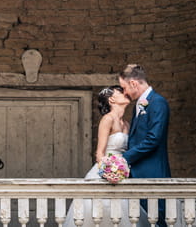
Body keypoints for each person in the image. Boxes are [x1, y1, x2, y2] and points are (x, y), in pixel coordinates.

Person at [63, 85, 149, 227]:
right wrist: (109, 171)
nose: (125, 94)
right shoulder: (107, 119)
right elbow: (99, 154)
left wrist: (121, 171)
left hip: (123, 173)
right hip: (105, 171)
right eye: (120, 92)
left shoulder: (126, 124)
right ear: (112, 99)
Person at [119, 64, 171, 227]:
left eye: (124, 87)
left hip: (153, 173)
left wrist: (124, 158)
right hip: (137, 175)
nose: (124, 92)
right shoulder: (138, 106)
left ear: (134, 83)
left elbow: (153, 139)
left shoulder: (158, 102)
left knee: (157, 220)